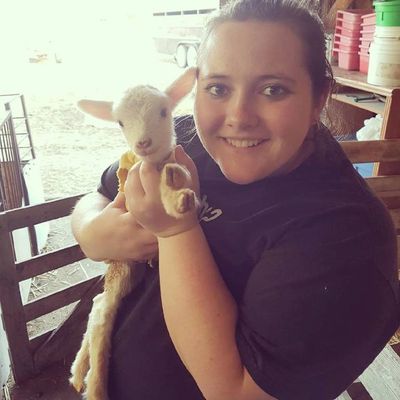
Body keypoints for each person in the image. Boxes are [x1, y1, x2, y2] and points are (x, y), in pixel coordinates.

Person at [71, 0, 400, 399]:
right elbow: (101, 192)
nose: (238, 116)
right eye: (218, 88)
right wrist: (92, 231)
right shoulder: (186, 139)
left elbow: (236, 392)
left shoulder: (345, 238)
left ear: (319, 98)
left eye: (272, 89)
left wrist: (176, 231)